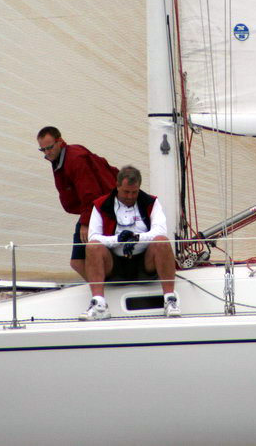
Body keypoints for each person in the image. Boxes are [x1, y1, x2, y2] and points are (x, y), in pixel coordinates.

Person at [81, 165, 180, 320]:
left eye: (134, 192)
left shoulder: (151, 202)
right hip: (114, 262)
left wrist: (136, 238)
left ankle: (170, 299)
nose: (130, 196)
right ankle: (99, 304)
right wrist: (119, 239)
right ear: (117, 186)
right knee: (92, 246)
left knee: (162, 241)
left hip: (145, 261)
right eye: (126, 192)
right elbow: (94, 237)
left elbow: (160, 231)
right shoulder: (101, 204)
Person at [36, 126, 118, 281]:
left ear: (60, 141)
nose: (47, 153)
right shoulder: (61, 157)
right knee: (78, 262)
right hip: (94, 208)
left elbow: (90, 192)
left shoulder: (75, 158)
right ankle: (103, 287)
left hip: (101, 209)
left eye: (49, 147)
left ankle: (106, 288)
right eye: (43, 150)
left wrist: (85, 223)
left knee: (80, 261)